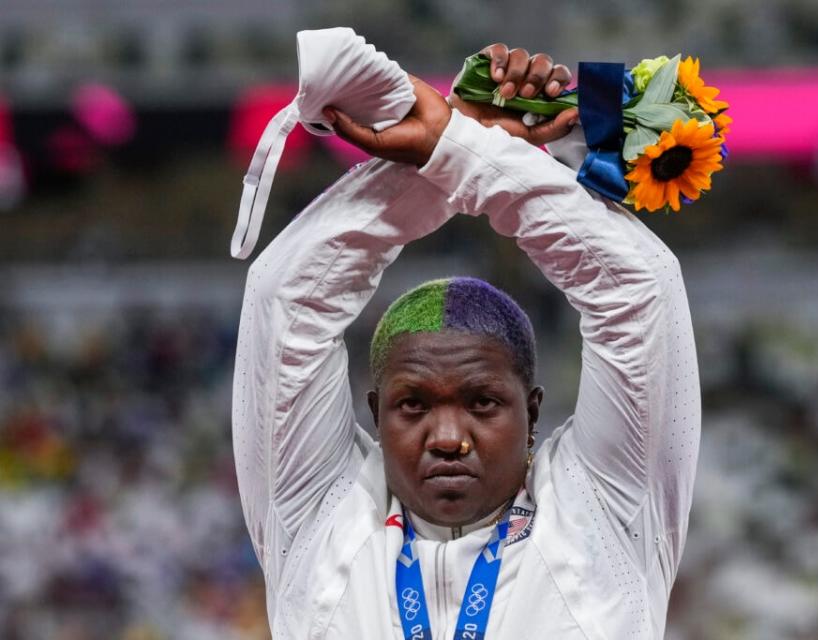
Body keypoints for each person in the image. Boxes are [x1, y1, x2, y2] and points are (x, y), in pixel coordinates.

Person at [232, 44, 701, 639]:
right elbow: (287, 297)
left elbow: (641, 290)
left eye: (482, 403)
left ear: (531, 411)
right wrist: (461, 146)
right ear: (376, 414)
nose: (449, 439)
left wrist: (456, 148)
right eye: (413, 406)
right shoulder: (317, 513)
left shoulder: (606, 512)